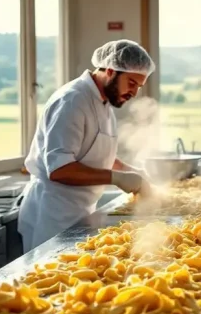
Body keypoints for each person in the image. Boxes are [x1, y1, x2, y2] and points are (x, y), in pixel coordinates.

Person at [18, 40, 156, 252]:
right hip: (53, 215)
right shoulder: (72, 101)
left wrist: (129, 170)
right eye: (131, 83)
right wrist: (117, 178)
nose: (134, 92)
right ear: (110, 71)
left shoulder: (103, 103)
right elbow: (59, 169)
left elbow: (94, 153)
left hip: (80, 212)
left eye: (138, 86)